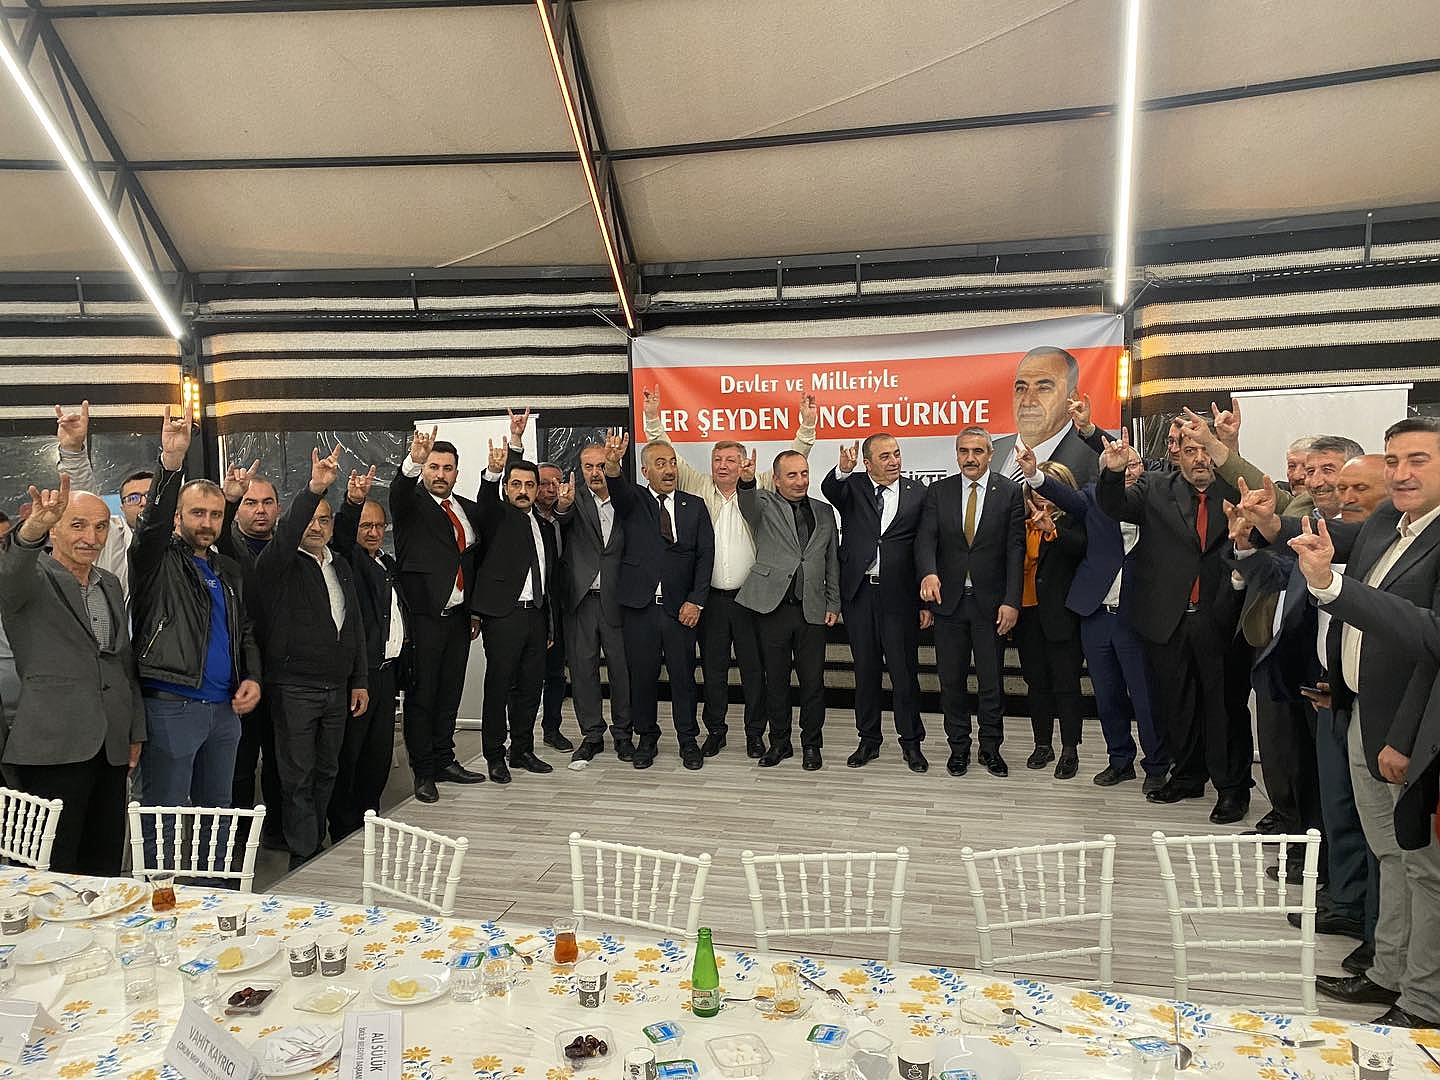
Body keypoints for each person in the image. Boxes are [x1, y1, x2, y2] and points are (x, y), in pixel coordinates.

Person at [1263, 416, 1440, 1028]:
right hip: (1363, 711)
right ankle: (1387, 972)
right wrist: (1270, 524)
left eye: (1418, 460)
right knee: (1389, 854)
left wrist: (1332, 588)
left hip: (1411, 729)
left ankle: (1424, 1003)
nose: (1401, 473)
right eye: (1393, 460)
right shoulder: (1390, 522)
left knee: (1424, 868)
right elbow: (1328, 530)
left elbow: (1433, 640)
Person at [644, 387, 817, 758]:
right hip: (710, 601)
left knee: (754, 671)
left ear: (743, 464)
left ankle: (755, 734)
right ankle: (716, 731)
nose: (722, 465)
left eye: (730, 460)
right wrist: (653, 417)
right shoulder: (698, 487)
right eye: (717, 459)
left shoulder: (761, 488)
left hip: (752, 600)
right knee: (714, 671)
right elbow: (667, 453)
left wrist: (806, 427)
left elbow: (793, 461)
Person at [1095, 425, 1251, 824]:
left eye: (1205, 450)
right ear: (1176, 452)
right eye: (1190, 450)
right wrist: (1113, 471)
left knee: (1224, 707)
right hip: (1168, 619)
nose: (1199, 458)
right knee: (1176, 704)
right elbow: (1113, 505)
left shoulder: (1237, 489)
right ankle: (1187, 777)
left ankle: (1232, 790)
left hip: (1221, 617)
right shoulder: (1154, 488)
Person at [129, 405, 262, 850]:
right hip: (172, 707)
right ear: (177, 516)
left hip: (224, 711)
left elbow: (244, 630)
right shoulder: (155, 560)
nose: (207, 522)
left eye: (216, 515)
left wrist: (252, 677)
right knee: (163, 816)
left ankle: (212, 890)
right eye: (197, 513)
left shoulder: (227, 569)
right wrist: (171, 462)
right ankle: (161, 890)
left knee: (218, 814)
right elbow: (149, 527)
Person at [0, 472, 143, 875]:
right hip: (53, 746)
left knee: (103, 867)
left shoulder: (109, 583)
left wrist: (135, 730)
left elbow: (121, 662)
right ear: (55, 529)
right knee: (48, 870)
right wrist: (32, 529)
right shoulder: (31, 578)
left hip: (110, 745)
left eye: (99, 527)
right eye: (77, 525)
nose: (91, 538)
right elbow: (9, 576)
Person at [1023, 441, 1168, 791]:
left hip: (1138, 615)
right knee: (1107, 695)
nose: (1127, 471)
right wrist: (1034, 474)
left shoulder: (1160, 499)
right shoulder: (1092, 498)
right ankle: (1120, 761)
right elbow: (1062, 494)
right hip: (1096, 613)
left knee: (1145, 696)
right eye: (1118, 466)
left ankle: (1156, 765)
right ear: (1105, 474)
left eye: (1133, 464)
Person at [254, 445, 368, 867]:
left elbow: (353, 627)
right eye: (309, 519)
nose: (316, 527)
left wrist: (359, 680)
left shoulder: (339, 566)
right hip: (294, 688)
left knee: (327, 771)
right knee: (297, 776)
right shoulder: (279, 564)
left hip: (336, 688)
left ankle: (313, 843)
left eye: (324, 520)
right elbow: (286, 537)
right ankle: (303, 854)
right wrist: (315, 489)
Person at [917, 427, 1025, 778]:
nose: (970, 458)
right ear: (956, 454)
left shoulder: (1009, 491)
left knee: (991, 683)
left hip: (990, 605)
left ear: (990, 454)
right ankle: (958, 748)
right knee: (951, 682)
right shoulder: (939, 491)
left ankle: (990, 749)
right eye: (964, 451)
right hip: (948, 604)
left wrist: (1012, 601)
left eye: (977, 451)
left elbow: (1015, 550)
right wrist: (928, 573)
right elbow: (926, 539)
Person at [603, 431, 714, 770]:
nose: (669, 469)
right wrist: (612, 465)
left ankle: (688, 740)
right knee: (642, 677)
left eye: (672, 463)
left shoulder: (694, 505)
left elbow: (705, 556)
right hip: (640, 608)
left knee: (684, 678)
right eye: (660, 463)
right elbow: (617, 488)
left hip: (681, 610)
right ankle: (646, 738)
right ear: (645, 471)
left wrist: (696, 601)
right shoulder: (634, 500)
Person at [820, 434, 930, 772]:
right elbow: (829, 489)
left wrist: (925, 603)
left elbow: (925, 546)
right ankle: (868, 740)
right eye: (885, 456)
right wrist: (842, 469)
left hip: (901, 597)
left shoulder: (918, 493)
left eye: (896, 454)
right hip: (860, 594)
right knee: (865, 671)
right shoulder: (852, 486)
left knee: (904, 673)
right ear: (867, 463)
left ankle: (911, 743)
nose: (894, 461)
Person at [390, 424, 488, 800]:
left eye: (447, 468)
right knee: (422, 698)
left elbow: (472, 561)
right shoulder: (410, 504)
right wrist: (412, 463)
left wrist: (475, 610)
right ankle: (424, 772)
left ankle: (445, 760)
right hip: (424, 619)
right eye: (433, 467)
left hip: (459, 619)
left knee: (449, 694)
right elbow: (398, 492)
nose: (440, 474)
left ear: (456, 472)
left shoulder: (465, 509)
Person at [736, 450, 840, 770]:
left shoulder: (824, 510)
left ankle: (812, 745)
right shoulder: (763, 503)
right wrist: (747, 481)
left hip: (812, 608)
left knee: (813, 683)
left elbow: (831, 561)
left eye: (804, 473)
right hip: (773, 608)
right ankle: (779, 743)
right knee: (776, 682)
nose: (800, 481)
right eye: (792, 475)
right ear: (777, 479)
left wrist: (834, 602)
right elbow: (746, 503)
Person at [471, 430, 559, 784]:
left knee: (531, 687)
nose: (523, 491)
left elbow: (548, 578)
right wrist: (499, 465)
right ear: (506, 488)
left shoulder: (543, 525)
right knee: (499, 687)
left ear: (538, 489)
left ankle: (522, 750)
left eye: (529, 485)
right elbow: (485, 501)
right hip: (503, 616)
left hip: (536, 615)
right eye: (516, 484)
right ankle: (494, 755)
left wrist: (549, 623)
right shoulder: (497, 516)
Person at [328, 466, 408, 831]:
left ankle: (369, 818)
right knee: (351, 755)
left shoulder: (386, 563)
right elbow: (343, 537)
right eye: (366, 526)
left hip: (387, 673)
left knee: (378, 755)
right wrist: (352, 502)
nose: (374, 532)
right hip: (360, 676)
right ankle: (344, 827)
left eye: (379, 526)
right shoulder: (349, 561)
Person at [218, 462, 285, 848]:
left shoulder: (289, 548)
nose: (260, 510)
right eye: (250, 502)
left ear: (278, 508)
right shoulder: (226, 550)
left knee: (279, 759)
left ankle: (276, 830)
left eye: (267, 502)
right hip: (239, 673)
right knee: (240, 761)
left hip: (284, 674)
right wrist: (228, 498)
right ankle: (237, 838)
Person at [553, 443, 631, 767]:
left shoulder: (627, 498)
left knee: (622, 671)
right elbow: (561, 519)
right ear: (581, 469)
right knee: (583, 671)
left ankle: (624, 734)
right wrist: (562, 506)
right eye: (589, 466)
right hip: (581, 600)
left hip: (619, 599)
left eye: (601, 465)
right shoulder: (573, 499)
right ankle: (592, 735)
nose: (596, 472)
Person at [1012, 456, 1087, 778]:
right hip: (1027, 615)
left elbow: (1083, 548)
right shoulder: (1019, 521)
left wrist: (1053, 530)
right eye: (1036, 488)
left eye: (1047, 488)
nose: (1041, 495)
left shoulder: (1076, 518)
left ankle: (1070, 749)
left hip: (1061, 616)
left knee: (1066, 685)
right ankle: (1042, 744)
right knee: (1036, 683)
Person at [53, 400, 142, 602]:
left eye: (150, 496)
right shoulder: (107, 532)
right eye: (134, 497)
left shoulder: (182, 543)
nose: (143, 502)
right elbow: (84, 497)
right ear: (122, 506)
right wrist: (72, 451)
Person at [993, 347, 1107, 487]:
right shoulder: (990, 452)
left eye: (1043, 388)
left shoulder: (1095, 461)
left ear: (1072, 398)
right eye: (1021, 388)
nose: (1028, 402)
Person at [534, 461, 573, 753]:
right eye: (544, 483)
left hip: (559, 606)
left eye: (556, 483)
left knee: (556, 674)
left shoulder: (566, 517)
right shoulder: (524, 518)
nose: (551, 489)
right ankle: (519, 738)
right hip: (531, 606)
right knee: (523, 677)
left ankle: (552, 729)